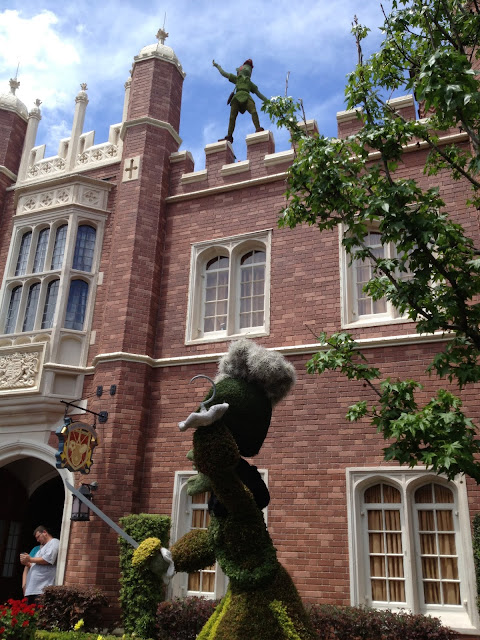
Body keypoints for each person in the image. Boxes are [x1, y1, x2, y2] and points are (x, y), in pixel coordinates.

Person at [212, 58, 268, 143]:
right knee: (232, 117)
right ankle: (229, 136)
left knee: (254, 111)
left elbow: (258, 93)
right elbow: (223, 73)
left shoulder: (250, 83)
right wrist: (217, 66)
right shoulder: (237, 79)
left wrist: (268, 102)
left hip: (247, 96)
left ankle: (258, 128)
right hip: (236, 98)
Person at [20, 525, 59, 604]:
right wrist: (27, 563)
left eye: (38, 537)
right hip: (32, 589)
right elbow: (35, 565)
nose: (37, 540)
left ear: (44, 532)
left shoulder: (54, 542)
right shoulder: (40, 549)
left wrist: (30, 559)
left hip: (41, 589)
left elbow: (47, 559)